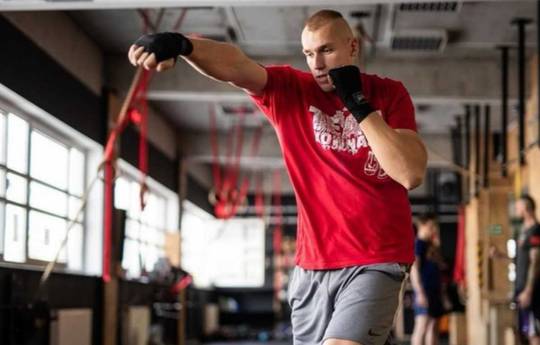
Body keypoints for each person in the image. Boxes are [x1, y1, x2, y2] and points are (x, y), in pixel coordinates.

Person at [128, 9, 427, 345]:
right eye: (309, 53)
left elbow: (410, 173)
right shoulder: (292, 91)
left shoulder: (389, 94)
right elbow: (238, 67)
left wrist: (357, 103)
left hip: (376, 257)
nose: (317, 64)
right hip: (313, 265)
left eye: (327, 50)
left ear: (353, 48)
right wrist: (184, 45)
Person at [410, 214, 446, 345]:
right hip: (424, 290)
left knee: (432, 325)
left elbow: (441, 266)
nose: (433, 230)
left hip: (433, 290)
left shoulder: (430, 245)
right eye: (431, 227)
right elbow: (414, 269)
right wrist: (419, 292)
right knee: (422, 325)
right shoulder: (418, 244)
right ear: (422, 226)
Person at [514, 194, 540, 345]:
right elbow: (521, 260)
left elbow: (535, 261)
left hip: (531, 289)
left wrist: (528, 290)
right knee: (525, 331)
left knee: (533, 332)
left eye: (518, 206)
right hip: (521, 287)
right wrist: (500, 256)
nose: (516, 209)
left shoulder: (536, 231)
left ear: (525, 208)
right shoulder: (523, 231)